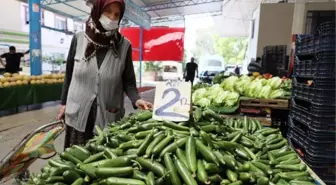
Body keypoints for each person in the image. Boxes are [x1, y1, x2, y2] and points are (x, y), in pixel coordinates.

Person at [57, 0, 153, 149]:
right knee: (74, 164)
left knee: (101, 164)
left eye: (117, 14)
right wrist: (64, 103)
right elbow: (69, 74)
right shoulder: (79, 39)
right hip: (78, 114)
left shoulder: (124, 46)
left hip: (108, 117)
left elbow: (128, 81)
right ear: (97, 10)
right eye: (107, 11)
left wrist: (136, 100)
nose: (112, 18)